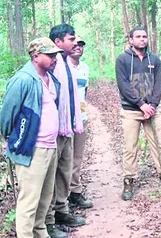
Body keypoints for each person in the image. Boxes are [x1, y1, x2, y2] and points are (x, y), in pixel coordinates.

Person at [0, 37, 63, 238]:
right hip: (32, 148)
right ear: (36, 56)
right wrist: (10, 139)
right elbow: (7, 114)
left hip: (50, 146)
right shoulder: (23, 79)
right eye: (50, 55)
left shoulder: (50, 78)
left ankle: (40, 232)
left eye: (56, 55)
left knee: (45, 198)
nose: (55, 59)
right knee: (29, 201)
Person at [115, 26, 161, 201]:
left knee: (158, 143)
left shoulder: (154, 59)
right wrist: (140, 105)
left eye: (144, 36)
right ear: (131, 40)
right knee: (130, 146)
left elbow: (158, 84)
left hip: (151, 111)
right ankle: (129, 180)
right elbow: (124, 86)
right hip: (131, 111)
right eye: (138, 36)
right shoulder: (122, 60)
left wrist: (152, 105)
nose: (142, 39)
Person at [45, 24, 85, 238]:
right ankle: (49, 220)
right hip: (54, 130)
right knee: (50, 176)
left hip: (67, 127)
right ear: (58, 42)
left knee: (64, 173)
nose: (75, 43)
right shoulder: (52, 64)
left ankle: (62, 211)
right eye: (71, 39)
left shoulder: (67, 63)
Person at [67, 36, 93, 209]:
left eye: (81, 45)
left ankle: (75, 192)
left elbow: (85, 92)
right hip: (64, 121)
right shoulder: (60, 65)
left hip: (81, 120)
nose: (78, 48)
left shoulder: (84, 68)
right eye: (75, 45)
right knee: (63, 160)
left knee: (77, 158)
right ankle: (60, 197)